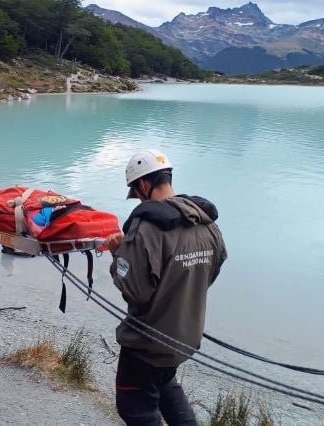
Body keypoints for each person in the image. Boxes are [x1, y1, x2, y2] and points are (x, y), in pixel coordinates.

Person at [104, 149, 227, 425]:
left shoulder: (146, 227)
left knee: (136, 408)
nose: (137, 198)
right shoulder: (206, 223)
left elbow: (135, 291)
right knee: (165, 384)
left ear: (144, 185)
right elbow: (212, 271)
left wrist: (119, 253)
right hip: (183, 337)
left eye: (136, 192)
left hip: (147, 343)